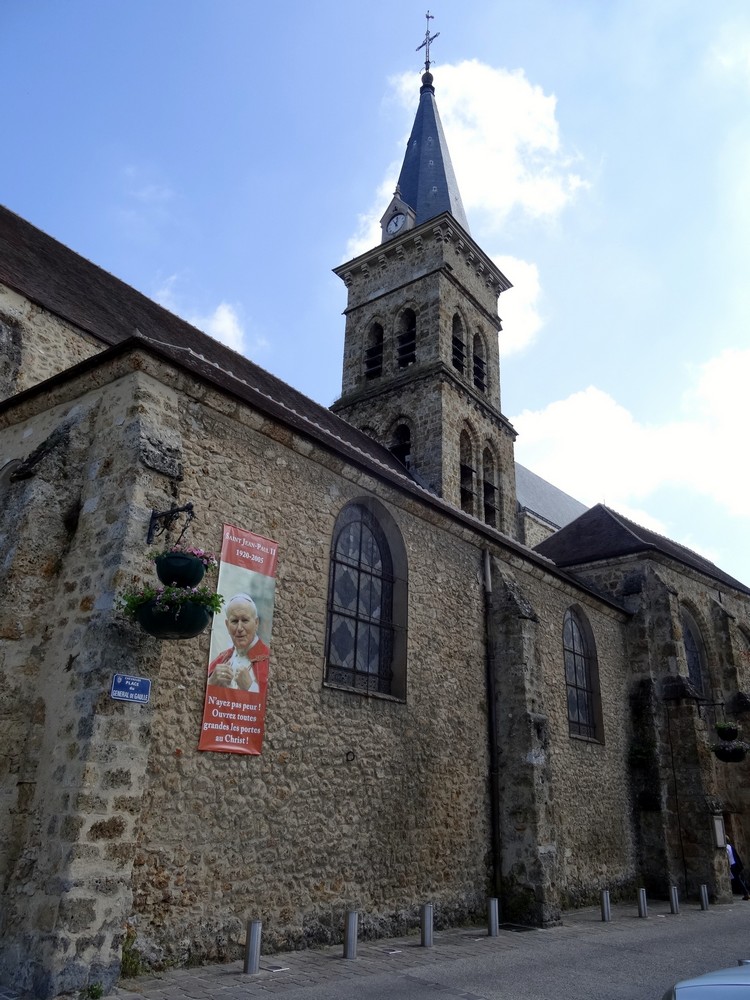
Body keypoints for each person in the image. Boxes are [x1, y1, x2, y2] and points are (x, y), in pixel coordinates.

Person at [207, 593, 270, 693]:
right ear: (227, 625)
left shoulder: (267, 658)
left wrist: (250, 687)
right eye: (234, 621)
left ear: (256, 623)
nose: (239, 628)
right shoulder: (222, 658)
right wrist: (211, 682)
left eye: (245, 620)